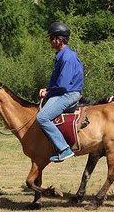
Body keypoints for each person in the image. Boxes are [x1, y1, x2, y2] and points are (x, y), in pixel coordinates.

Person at [36, 21, 84, 163]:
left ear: (59, 40)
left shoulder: (67, 57)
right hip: (62, 93)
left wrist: (48, 93)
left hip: (68, 94)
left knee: (42, 118)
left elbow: (63, 85)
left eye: (52, 38)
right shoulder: (61, 55)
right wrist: (49, 89)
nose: (50, 41)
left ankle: (64, 149)